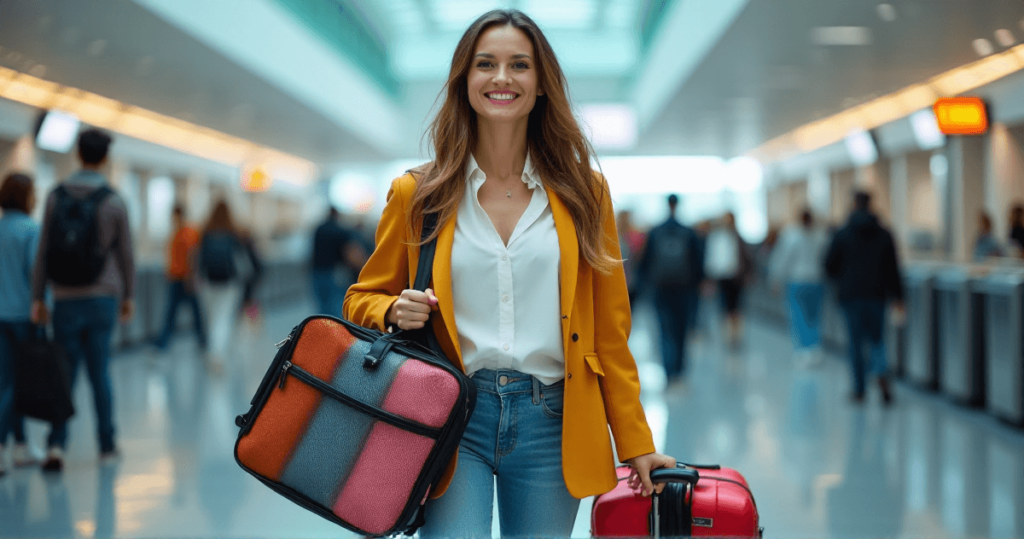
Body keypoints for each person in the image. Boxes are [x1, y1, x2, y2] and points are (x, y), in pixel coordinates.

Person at [343, 10, 674, 537]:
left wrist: (636, 443)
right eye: (486, 64)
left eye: (519, 65)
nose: (502, 78)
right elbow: (361, 297)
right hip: (453, 415)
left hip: (552, 423)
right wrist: (389, 308)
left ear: (541, 84)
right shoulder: (419, 195)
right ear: (464, 81)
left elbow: (609, 334)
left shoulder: (584, 194)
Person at [31, 129, 135, 471]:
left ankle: (56, 446)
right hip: (102, 297)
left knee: (65, 373)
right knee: (99, 373)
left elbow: (44, 250)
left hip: (64, 298)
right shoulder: (113, 200)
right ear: (104, 158)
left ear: (78, 154)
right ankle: (106, 445)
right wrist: (128, 295)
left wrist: (38, 296)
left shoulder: (55, 196)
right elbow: (126, 255)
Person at [824, 191, 904, 404]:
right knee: (878, 339)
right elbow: (893, 268)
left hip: (851, 296)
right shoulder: (885, 233)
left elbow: (828, 265)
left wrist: (842, 277)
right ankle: (881, 374)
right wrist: (898, 296)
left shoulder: (842, 234)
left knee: (855, 342)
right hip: (878, 295)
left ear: (853, 204)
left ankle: (859, 389)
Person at [635, 194, 703, 384]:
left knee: (665, 330)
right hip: (685, 289)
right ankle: (680, 371)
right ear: (678, 205)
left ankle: (669, 372)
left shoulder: (655, 231)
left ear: (667, 204)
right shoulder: (688, 232)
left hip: (660, 289)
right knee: (681, 330)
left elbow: (644, 263)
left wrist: (644, 288)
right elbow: (698, 262)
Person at [0, 173, 42, 476]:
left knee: (5, 382)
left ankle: (20, 445)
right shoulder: (31, 230)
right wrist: (45, 308)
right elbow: (36, 276)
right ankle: (4, 445)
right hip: (22, 317)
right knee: (18, 384)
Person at [770, 208, 829, 367]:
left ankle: (804, 350)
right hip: (816, 281)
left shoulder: (792, 236)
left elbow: (783, 259)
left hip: (798, 282)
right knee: (813, 317)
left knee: (799, 316)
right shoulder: (820, 236)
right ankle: (814, 348)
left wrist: (776, 278)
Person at [195, 201, 245, 372]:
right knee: (223, 319)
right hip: (229, 282)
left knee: (210, 319)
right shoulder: (233, 232)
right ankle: (217, 356)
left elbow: (199, 257)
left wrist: (197, 277)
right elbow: (242, 259)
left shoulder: (206, 232)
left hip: (208, 282)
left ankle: (212, 351)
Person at [154, 205, 206, 351]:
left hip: (186, 279)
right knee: (171, 313)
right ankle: (163, 342)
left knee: (194, 313)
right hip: (174, 278)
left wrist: (192, 277)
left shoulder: (189, 232)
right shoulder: (176, 233)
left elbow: (193, 257)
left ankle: (203, 341)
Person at [703, 211, 750, 347]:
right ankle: (728, 335)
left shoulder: (737, 238)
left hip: (737, 277)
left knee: (736, 308)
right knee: (724, 307)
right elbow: (711, 258)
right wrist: (710, 278)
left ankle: (736, 335)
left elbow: (746, 258)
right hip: (722, 277)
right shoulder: (717, 237)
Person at [310, 208, 360, 316]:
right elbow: (350, 253)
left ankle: (323, 328)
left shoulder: (318, 229)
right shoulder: (340, 230)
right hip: (333, 272)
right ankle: (335, 331)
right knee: (336, 305)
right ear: (337, 216)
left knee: (322, 306)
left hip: (316, 272)